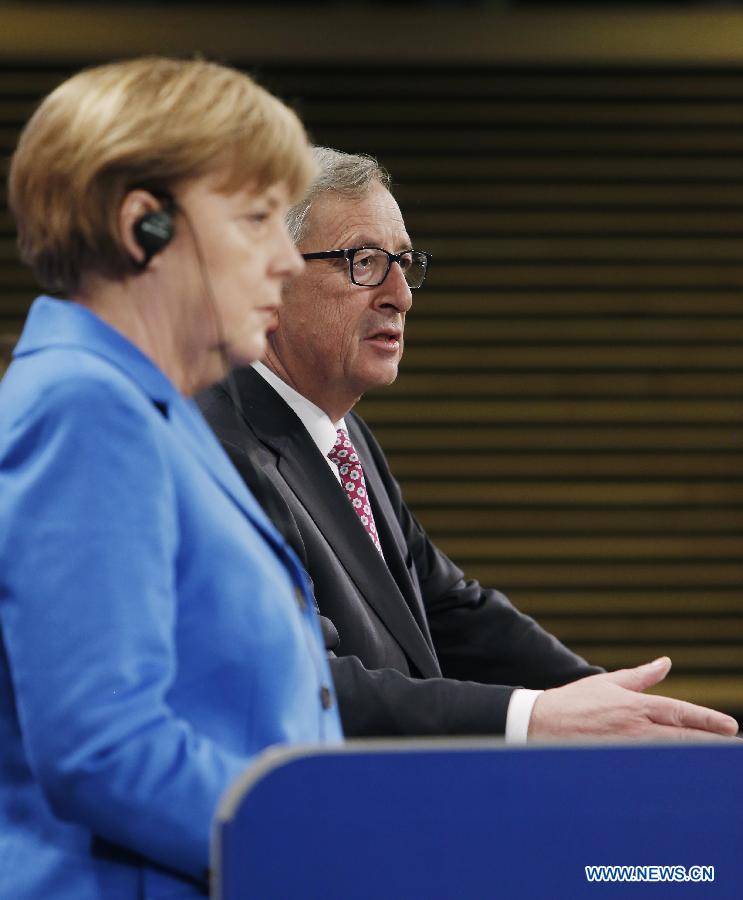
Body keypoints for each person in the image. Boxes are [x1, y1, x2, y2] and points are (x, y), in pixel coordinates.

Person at [199, 147, 739, 743]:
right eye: (365, 261)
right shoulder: (219, 445)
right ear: (268, 276)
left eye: (404, 263)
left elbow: (450, 610)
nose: (400, 295)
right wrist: (532, 719)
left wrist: (616, 705)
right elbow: (298, 685)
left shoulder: (342, 435)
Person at [0, 60, 342, 900]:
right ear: (142, 227)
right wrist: (329, 846)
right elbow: (102, 747)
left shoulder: (149, 411)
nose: (287, 262)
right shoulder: (85, 409)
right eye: (258, 219)